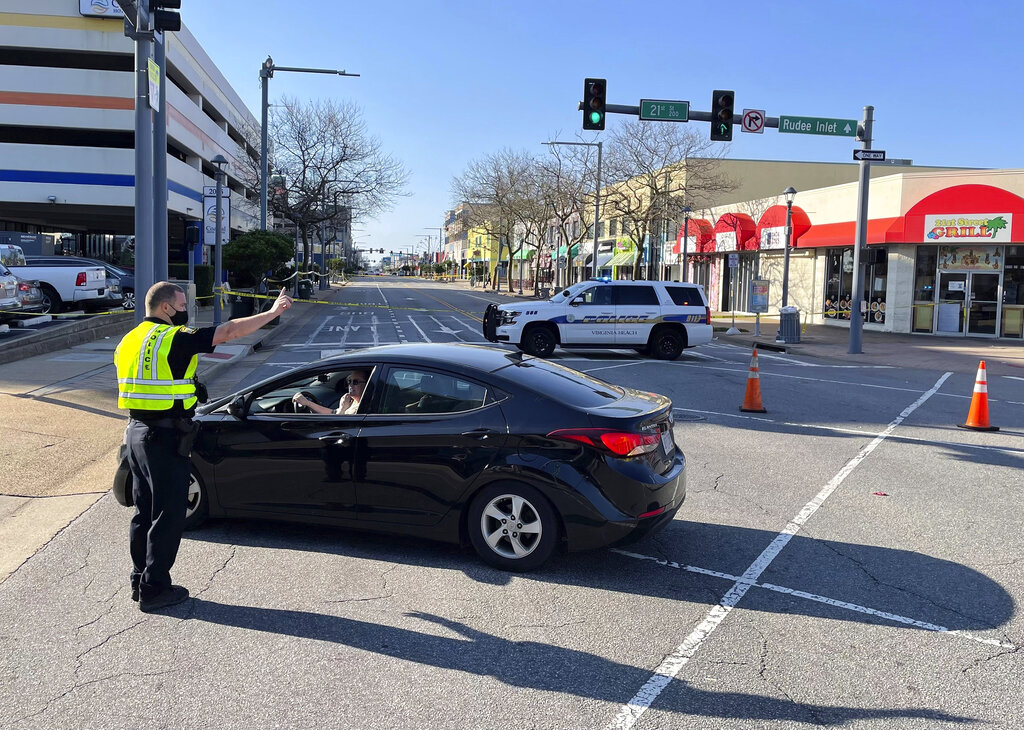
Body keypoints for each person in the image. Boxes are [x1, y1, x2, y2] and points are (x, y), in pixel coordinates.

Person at [114, 281, 293, 612]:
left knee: (144, 512)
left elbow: (152, 382)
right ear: (166, 307)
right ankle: (155, 589)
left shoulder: (130, 340)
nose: (186, 310)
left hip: (136, 434)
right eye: (182, 304)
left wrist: (190, 389)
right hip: (165, 438)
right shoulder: (173, 338)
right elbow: (227, 332)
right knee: (168, 515)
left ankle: (140, 580)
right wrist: (271, 312)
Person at [292, 369, 369, 415]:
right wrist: (308, 403)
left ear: (367, 384)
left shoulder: (364, 406)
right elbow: (333, 413)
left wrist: (342, 409)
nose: (350, 385)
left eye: (355, 382)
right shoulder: (351, 401)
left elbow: (340, 425)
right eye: (349, 381)